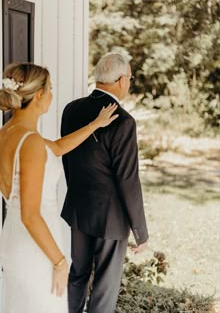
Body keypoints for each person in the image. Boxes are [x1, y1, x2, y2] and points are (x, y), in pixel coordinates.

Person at [0, 62, 118, 313]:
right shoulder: (31, 143)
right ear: (39, 95)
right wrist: (60, 262)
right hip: (36, 247)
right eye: (50, 89)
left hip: (14, 239)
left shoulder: (6, 134)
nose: (52, 94)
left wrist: (95, 125)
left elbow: (57, 148)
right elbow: (30, 215)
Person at [60, 53, 149, 313]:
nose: (129, 83)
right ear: (121, 80)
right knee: (104, 286)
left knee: (77, 275)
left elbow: (67, 159)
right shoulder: (123, 121)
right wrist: (140, 232)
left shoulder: (71, 109)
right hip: (110, 219)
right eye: (130, 79)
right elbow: (128, 179)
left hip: (79, 209)